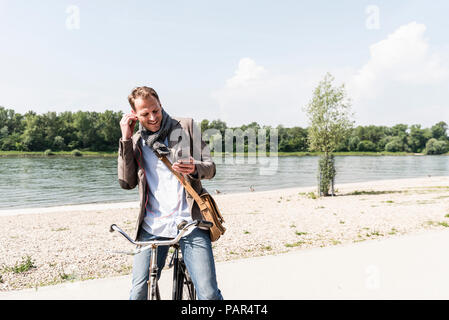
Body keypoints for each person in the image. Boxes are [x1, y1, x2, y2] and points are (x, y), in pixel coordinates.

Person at [117, 86, 223, 300]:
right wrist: (126, 139)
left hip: (190, 222)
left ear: (160, 104)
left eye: (155, 110)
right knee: (138, 293)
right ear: (135, 116)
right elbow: (126, 182)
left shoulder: (186, 126)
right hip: (152, 226)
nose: (153, 117)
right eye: (145, 114)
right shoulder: (136, 141)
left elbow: (210, 168)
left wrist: (195, 168)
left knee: (209, 294)